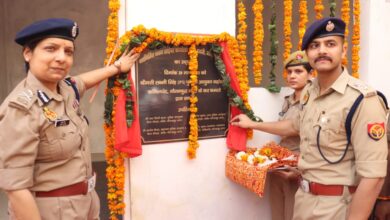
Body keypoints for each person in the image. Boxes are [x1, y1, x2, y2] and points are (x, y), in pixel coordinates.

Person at [231, 17, 388, 220]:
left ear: (344, 49)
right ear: (307, 53)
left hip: (337, 207)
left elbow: (373, 177)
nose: (322, 50)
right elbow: (294, 125)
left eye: (330, 44)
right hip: (303, 200)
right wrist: (253, 124)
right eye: (315, 45)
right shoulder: (309, 92)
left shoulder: (362, 100)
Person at [0, 18, 140, 220]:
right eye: (51, 49)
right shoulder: (21, 109)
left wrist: (117, 67)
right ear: (28, 53)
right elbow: (16, 189)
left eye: (68, 51)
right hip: (52, 211)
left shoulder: (65, 89)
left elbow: (83, 81)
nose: (61, 58)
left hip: (86, 203)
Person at [269, 50, 312, 220]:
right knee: (277, 214)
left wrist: (252, 124)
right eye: (290, 72)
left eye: (299, 71)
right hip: (280, 165)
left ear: (311, 74)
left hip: (298, 168)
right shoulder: (288, 99)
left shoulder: (313, 100)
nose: (292, 76)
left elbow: (291, 129)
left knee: (292, 215)